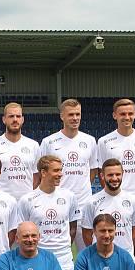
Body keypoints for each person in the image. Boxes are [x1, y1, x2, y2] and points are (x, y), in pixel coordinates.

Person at [38, 98, 98, 252]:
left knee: (87, 250)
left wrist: (82, 189)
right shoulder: (48, 142)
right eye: (71, 114)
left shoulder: (90, 141)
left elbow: (92, 170)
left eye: (78, 114)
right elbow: (42, 172)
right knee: (56, 249)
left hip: (84, 203)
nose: (75, 118)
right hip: (57, 203)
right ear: (62, 117)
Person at [96, 98, 135, 246]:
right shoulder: (104, 141)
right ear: (115, 115)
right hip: (112, 199)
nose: (127, 117)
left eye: (130, 113)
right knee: (111, 241)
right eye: (122, 114)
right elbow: (101, 172)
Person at [81, 158, 135, 259]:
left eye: (118, 174)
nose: (114, 178)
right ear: (102, 176)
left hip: (126, 258)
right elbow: (87, 234)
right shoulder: (91, 202)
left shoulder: (134, 201)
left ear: (122, 174)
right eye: (110, 175)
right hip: (99, 258)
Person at [0, 102, 40, 199]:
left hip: (26, 202)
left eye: (18, 116)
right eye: (11, 116)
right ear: (4, 119)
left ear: (22, 119)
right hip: (0, 202)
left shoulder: (33, 145)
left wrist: (27, 197)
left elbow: (37, 176)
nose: (15, 119)